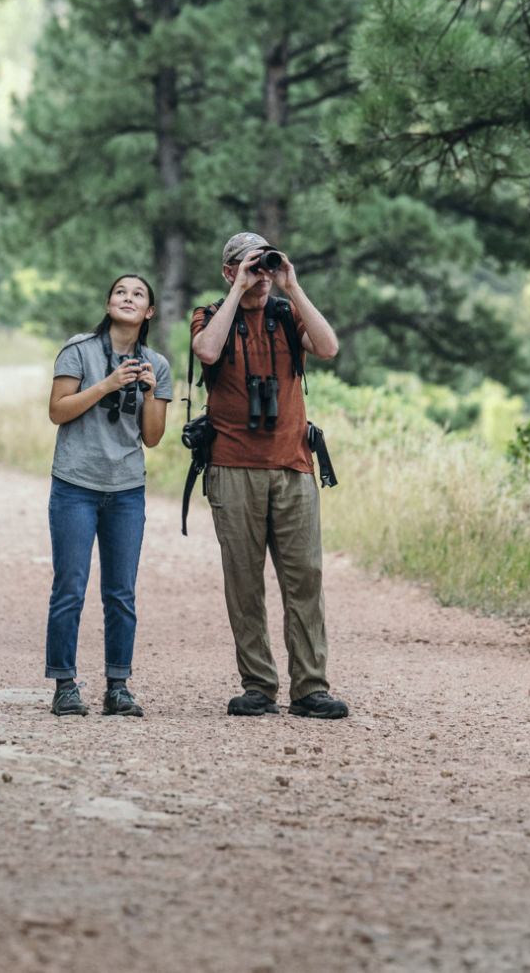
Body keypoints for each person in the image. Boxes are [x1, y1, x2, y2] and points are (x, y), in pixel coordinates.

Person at [190, 233, 347, 719]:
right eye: (246, 266)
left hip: (293, 465)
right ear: (227, 271)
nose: (258, 274)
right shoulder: (211, 312)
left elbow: (328, 347)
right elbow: (208, 352)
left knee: (305, 579)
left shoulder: (286, 314)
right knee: (244, 580)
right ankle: (258, 685)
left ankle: (310, 688)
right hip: (233, 465)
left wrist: (291, 285)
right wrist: (238, 291)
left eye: (263, 265)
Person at [45, 274, 171, 717]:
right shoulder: (78, 349)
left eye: (139, 294)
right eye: (121, 291)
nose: (129, 298)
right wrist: (108, 383)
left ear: (149, 312)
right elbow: (57, 411)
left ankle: (118, 687)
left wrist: (152, 391)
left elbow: (152, 438)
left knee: (121, 592)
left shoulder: (157, 363)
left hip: (126, 491)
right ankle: (65, 685)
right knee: (70, 587)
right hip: (75, 485)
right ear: (108, 302)